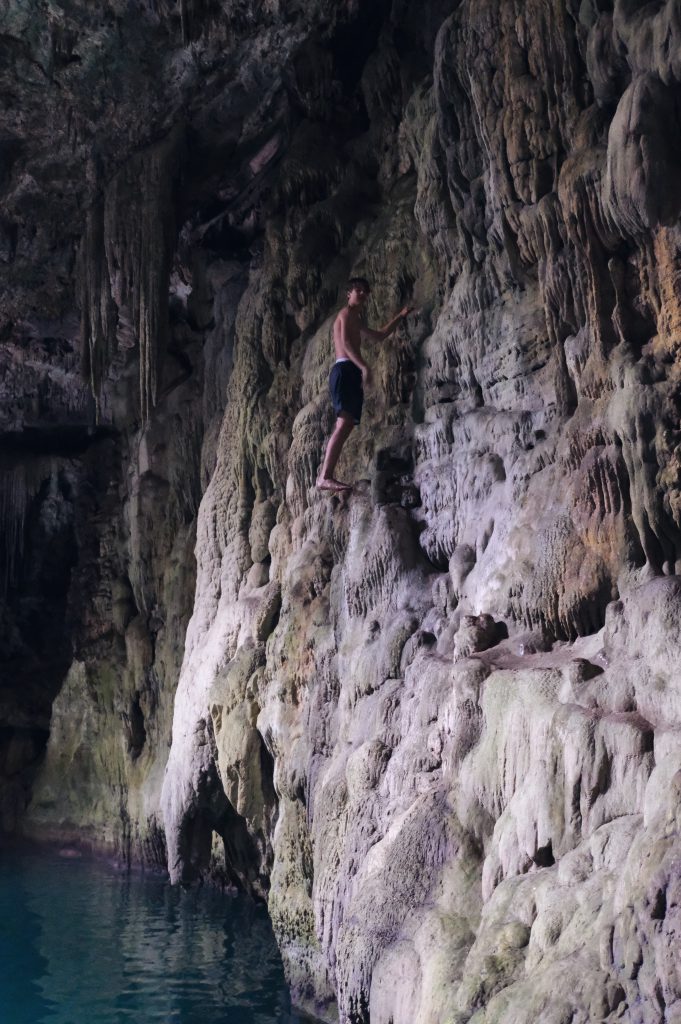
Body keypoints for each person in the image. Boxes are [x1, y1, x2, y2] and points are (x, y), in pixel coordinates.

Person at [316, 277, 412, 491]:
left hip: (350, 372)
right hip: (344, 369)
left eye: (364, 291)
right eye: (356, 290)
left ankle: (327, 475)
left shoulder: (356, 320)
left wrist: (401, 316)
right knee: (343, 424)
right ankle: (324, 477)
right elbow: (346, 343)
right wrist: (364, 367)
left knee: (348, 424)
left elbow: (379, 336)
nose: (361, 293)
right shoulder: (345, 314)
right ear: (348, 293)